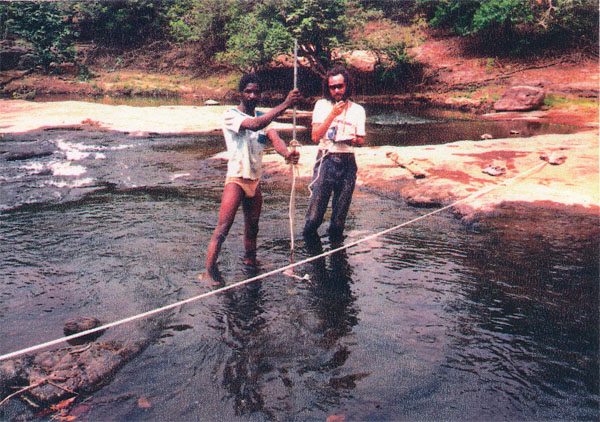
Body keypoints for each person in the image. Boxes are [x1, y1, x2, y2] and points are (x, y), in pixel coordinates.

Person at [205, 73, 302, 278]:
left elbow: (275, 139)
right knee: (223, 228)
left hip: (255, 181)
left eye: (256, 92)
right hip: (236, 179)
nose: (252, 96)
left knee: (253, 227)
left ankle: (250, 260)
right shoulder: (231, 115)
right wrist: (285, 104)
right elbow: (255, 124)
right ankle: (208, 271)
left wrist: (287, 153)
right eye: (248, 91)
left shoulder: (263, 117)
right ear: (241, 93)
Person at [303, 66, 366, 243]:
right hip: (326, 159)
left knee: (339, 221)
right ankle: (310, 253)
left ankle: (337, 256)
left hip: (348, 162)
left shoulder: (358, 110)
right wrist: (332, 114)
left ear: (347, 86)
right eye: (333, 87)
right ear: (328, 88)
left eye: (340, 86)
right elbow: (315, 136)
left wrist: (352, 140)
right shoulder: (321, 105)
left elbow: (361, 140)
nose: (337, 91)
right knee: (314, 217)